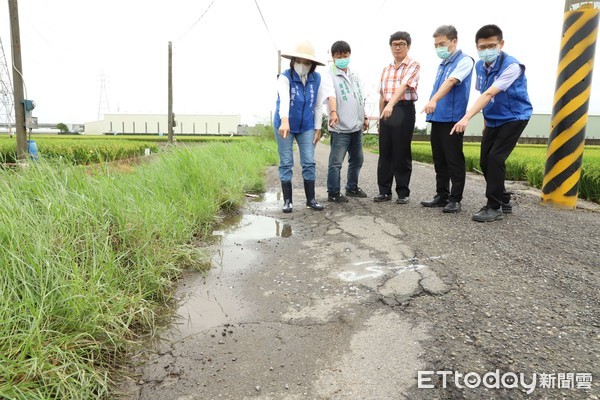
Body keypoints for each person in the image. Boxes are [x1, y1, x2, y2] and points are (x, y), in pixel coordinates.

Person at [451, 24, 532, 222]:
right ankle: (504, 198)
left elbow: (490, 93)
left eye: (491, 46)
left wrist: (466, 117)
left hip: (514, 117)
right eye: (483, 47)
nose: (487, 50)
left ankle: (494, 206)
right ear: (477, 47)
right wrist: (486, 120)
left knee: (496, 158)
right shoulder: (479, 66)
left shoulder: (512, 66)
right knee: (485, 161)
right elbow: (482, 92)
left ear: (501, 44)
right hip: (494, 118)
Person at [421, 25, 474, 214]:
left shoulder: (465, 61)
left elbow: (451, 82)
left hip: (452, 119)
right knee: (439, 159)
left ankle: (455, 199)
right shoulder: (442, 64)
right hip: (437, 118)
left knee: (454, 159)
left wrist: (433, 100)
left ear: (454, 41)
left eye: (442, 44)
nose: (439, 48)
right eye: (436, 45)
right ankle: (441, 194)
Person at [274, 41, 326, 213]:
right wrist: (284, 121)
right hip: (284, 125)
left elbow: (318, 105)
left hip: (306, 127)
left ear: (312, 65)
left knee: (309, 162)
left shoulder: (316, 79)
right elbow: (284, 100)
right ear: (293, 61)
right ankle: (287, 201)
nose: (303, 65)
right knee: (286, 162)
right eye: (299, 61)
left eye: (307, 62)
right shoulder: (285, 77)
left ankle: (310, 199)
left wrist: (318, 128)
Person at [374, 31, 420, 204]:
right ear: (390, 47)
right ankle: (384, 191)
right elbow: (381, 95)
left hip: (403, 109)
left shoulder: (413, 65)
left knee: (401, 151)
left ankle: (402, 192)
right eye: (394, 44)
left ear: (408, 46)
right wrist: (380, 117)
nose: (398, 47)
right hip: (386, 110)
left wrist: (390, 105)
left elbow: (403, 87)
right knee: (385, 151)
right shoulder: (386, 69)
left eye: (402, 43)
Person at [322, 40, 369, 203]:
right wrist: (333, 112)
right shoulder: (329, 75)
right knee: (336, 163)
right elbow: (331, 96)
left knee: (357, 159)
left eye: (345, 55)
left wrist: (364, 117)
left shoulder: (354, 75)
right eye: (338, 55)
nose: (342, 58)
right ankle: (333, 192)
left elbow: (359, 97)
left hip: (356, 128)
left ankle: (352, 188)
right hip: (340, 129)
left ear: (349, 55)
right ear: (333, 57)